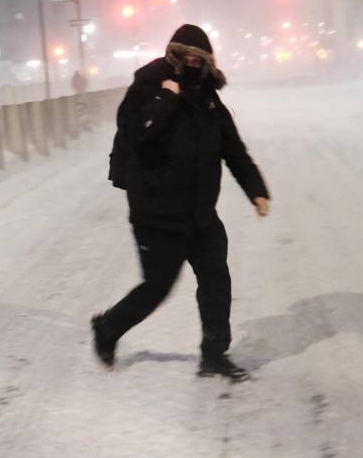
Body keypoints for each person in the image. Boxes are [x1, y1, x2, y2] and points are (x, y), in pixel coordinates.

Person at [94, 24, 270, 381]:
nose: (191, 63)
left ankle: (214, 355)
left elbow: (234, 151)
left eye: (198, 58)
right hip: (156, 215)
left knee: (216, 281)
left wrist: (256, 190)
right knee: (157, 286)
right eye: (185, 56)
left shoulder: (209, 101)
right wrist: (166, 98)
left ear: (206, 62)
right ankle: (108, 327)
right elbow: (137, 134)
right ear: (173, 56)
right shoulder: (147, 88)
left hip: (200, 214)